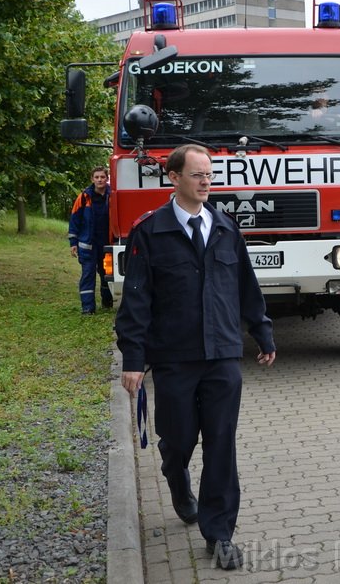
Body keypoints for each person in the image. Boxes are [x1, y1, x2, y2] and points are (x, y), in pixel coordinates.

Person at [116, 144, 277, 570]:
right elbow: (136, 300)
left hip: (223, 354)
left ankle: (219, 532)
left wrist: (262, 332)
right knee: (179, 439)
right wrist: (133, 358)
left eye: (210, 175)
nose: (206, 182)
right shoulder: (150, 232)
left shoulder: (224, 227)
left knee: (222, 445)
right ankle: (176, 478)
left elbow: (247, 286)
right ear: (174, 178)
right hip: (174, 357)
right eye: (197, 175)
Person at [68, 166, 113, 315]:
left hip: (106, 243)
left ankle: (108, 302)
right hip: (87, 245)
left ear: (107, 178)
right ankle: (88, 308)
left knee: (106, 273)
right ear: (92, 179)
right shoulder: (84, 197)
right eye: (97, 177)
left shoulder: (113, 195)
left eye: (102, 177)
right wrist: (73, 243)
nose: (99, 180)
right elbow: (75, 220)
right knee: (88, 275)